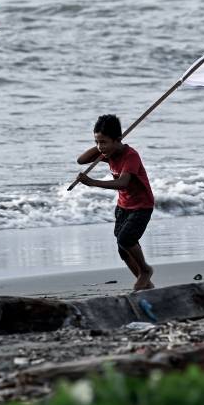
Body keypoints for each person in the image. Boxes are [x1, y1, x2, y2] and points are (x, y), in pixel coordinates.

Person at [75, 114, 155, 291]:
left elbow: (123, 183)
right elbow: (81, 160)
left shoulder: (130, 155)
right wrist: (102, 147)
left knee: (126, 239)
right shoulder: (108, 153)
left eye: (103, 142)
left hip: (142, 205)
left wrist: (93, 182)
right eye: (97, 141)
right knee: (122, 249)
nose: (100, 146)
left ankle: (145, 270)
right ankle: (145, 284)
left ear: (118, 139)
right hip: (123, 205)